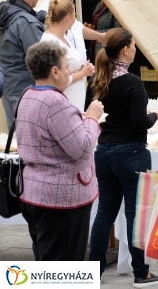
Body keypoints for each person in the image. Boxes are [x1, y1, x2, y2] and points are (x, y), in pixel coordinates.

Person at [87, 29, 158, 285]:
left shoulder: (100, 80)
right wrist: (156, 115)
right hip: (130, 152)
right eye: (133, 45)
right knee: (135, 213)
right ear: (125, 50)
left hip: (104, 151)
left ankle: (93, 273)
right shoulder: (132, 82)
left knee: (104, 214)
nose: (135, 49)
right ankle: (141, 272)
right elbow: (139, 123)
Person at [15, 41, 103, 260]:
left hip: (35, 192)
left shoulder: (28, 94)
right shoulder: (54, 102)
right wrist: (92, 117)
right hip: (60, 198)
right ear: (54, 71)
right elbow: (82, 148)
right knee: (64, 265)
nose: (69, 72)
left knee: (47, 259)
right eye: (66, 67)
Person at [0, 0, 44, 130]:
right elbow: (40, 59)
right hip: (25, 89)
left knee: (15, 142)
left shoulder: (4, 11)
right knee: (27, 142)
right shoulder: (25, 22)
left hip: (6, 85)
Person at [39, 0, 94, 110]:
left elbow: (68, 66)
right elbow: (57, 80)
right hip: (64, 104)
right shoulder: (50, 42)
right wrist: (83, 73)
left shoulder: (63, 37)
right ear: (68, 17)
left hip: (74, 102)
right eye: (75, 16)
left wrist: (82, 67)